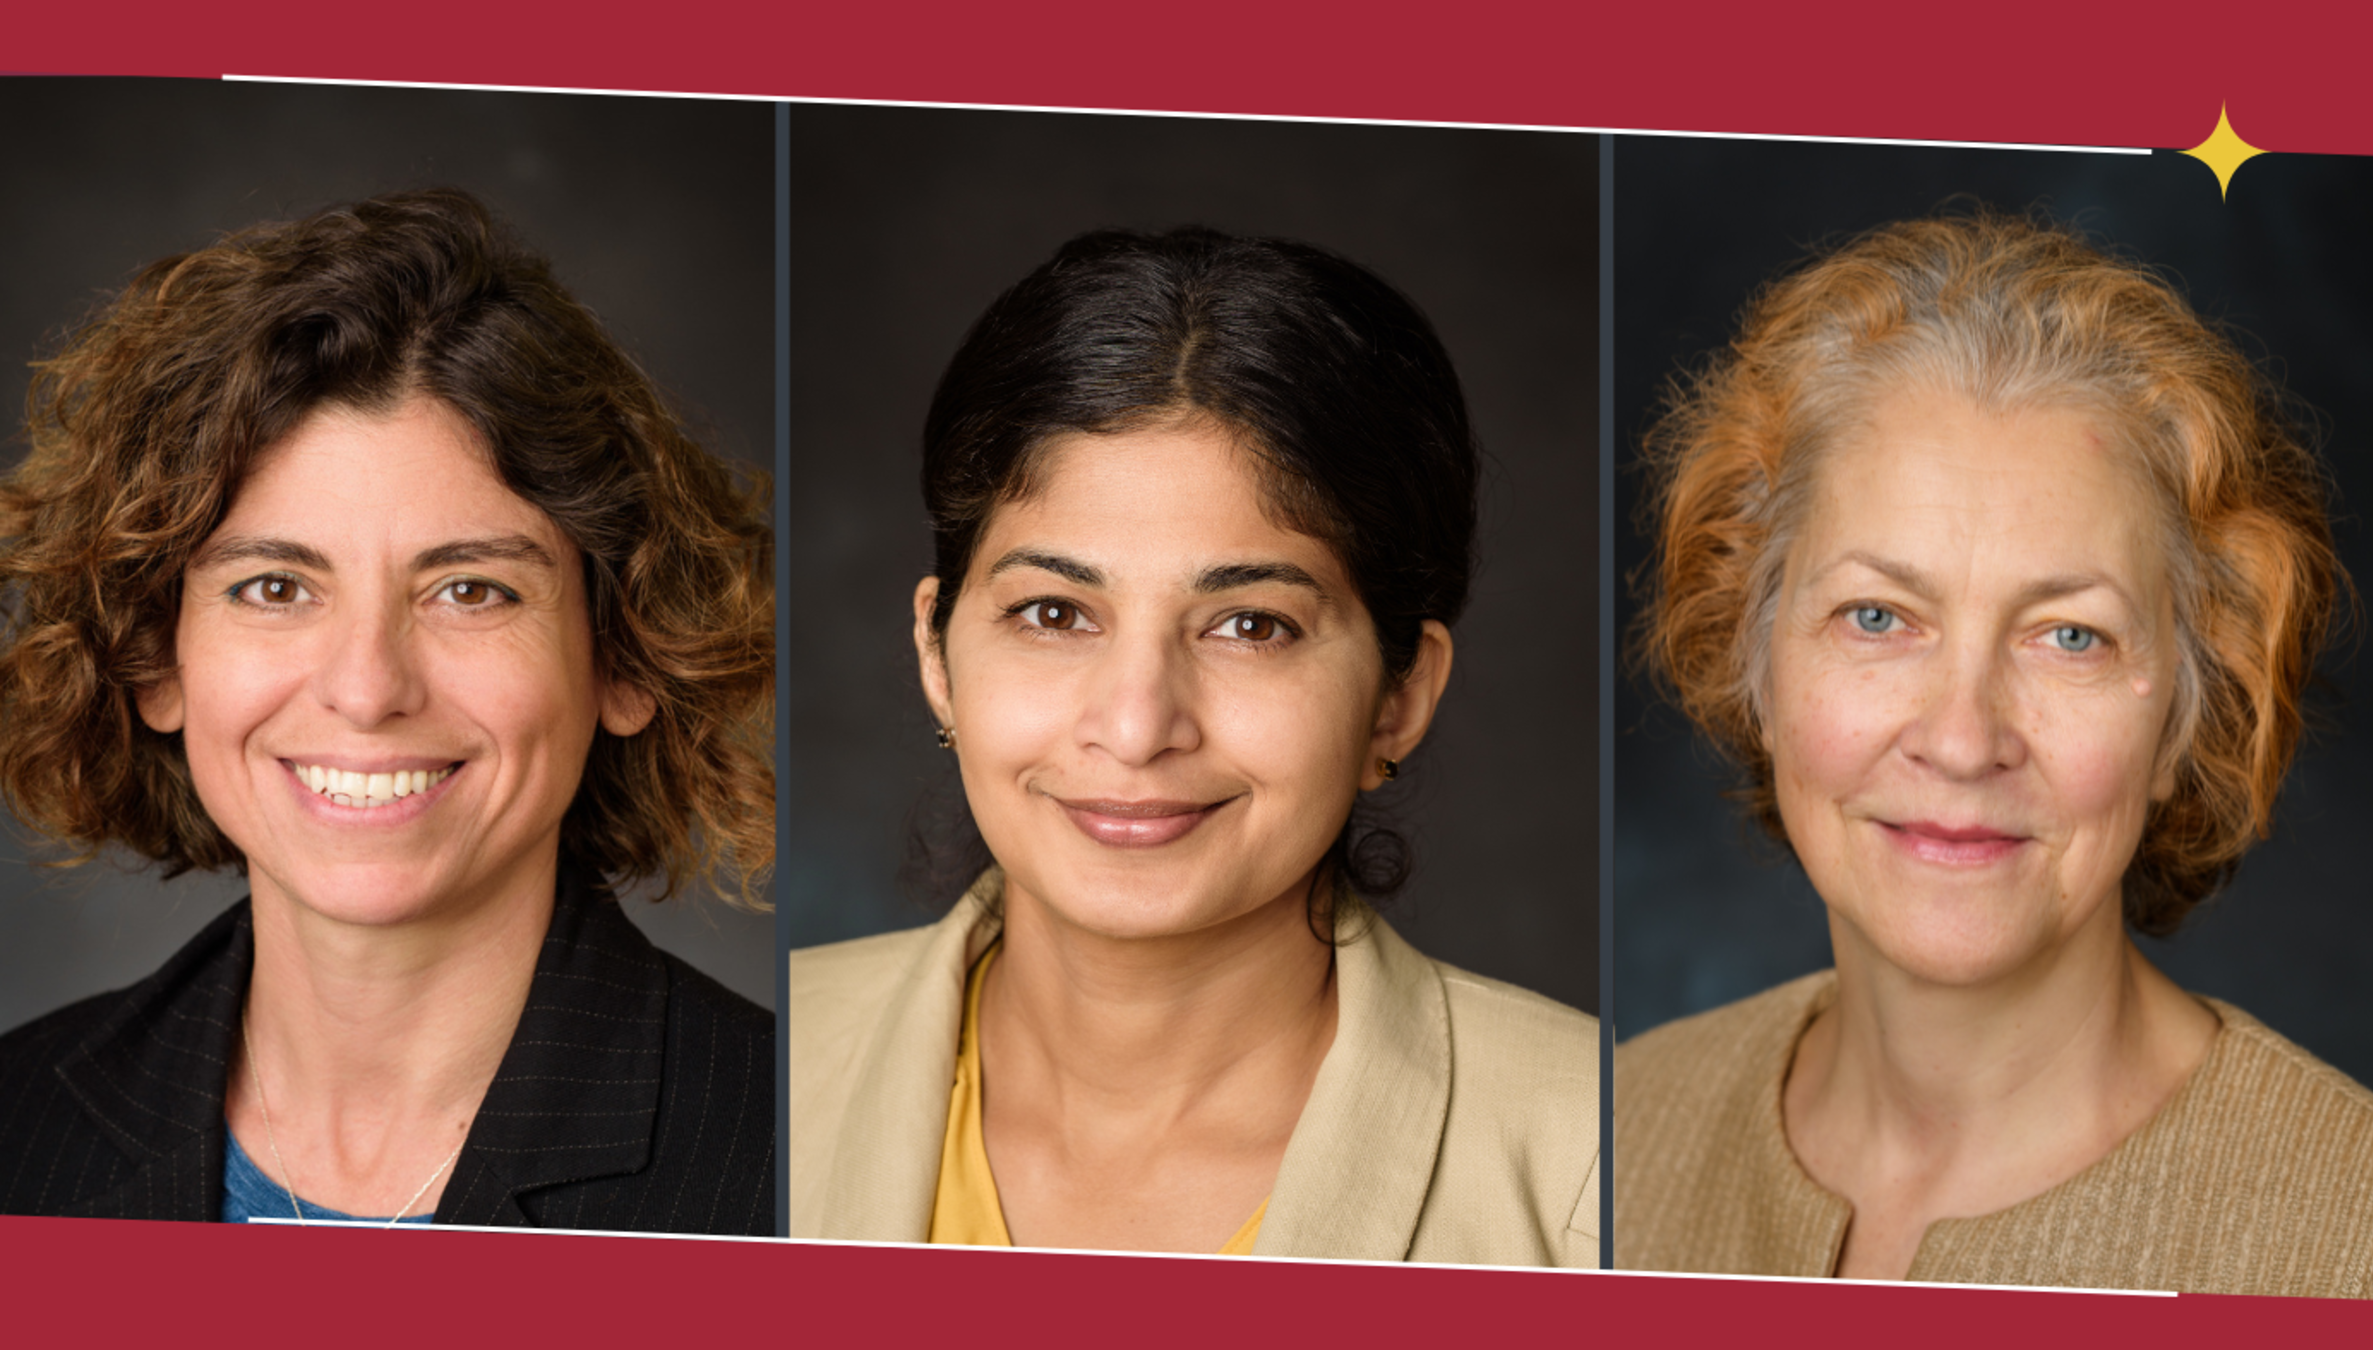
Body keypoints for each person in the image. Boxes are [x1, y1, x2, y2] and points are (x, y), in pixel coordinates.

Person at [1615, 211, 2373, 1297]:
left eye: (2069, 636)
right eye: (1878, 617)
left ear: (2191, 710)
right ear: (1754, 659)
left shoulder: (2369, 1244)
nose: (1962, 739)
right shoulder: (1613, 1135)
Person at [787, 228, 1599, 1265]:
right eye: (1052, 613)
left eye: (1251, 625)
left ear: (1399, 696)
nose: (1135, 727)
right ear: (938, 657)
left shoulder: (1588, 1160)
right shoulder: (770, 1065)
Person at [0, 189, 776, 1233]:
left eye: (470, 591)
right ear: (156, 658)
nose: (366, 690)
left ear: (624, 658)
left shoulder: (794, 1158)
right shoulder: (20, 1122)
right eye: (275, 587)